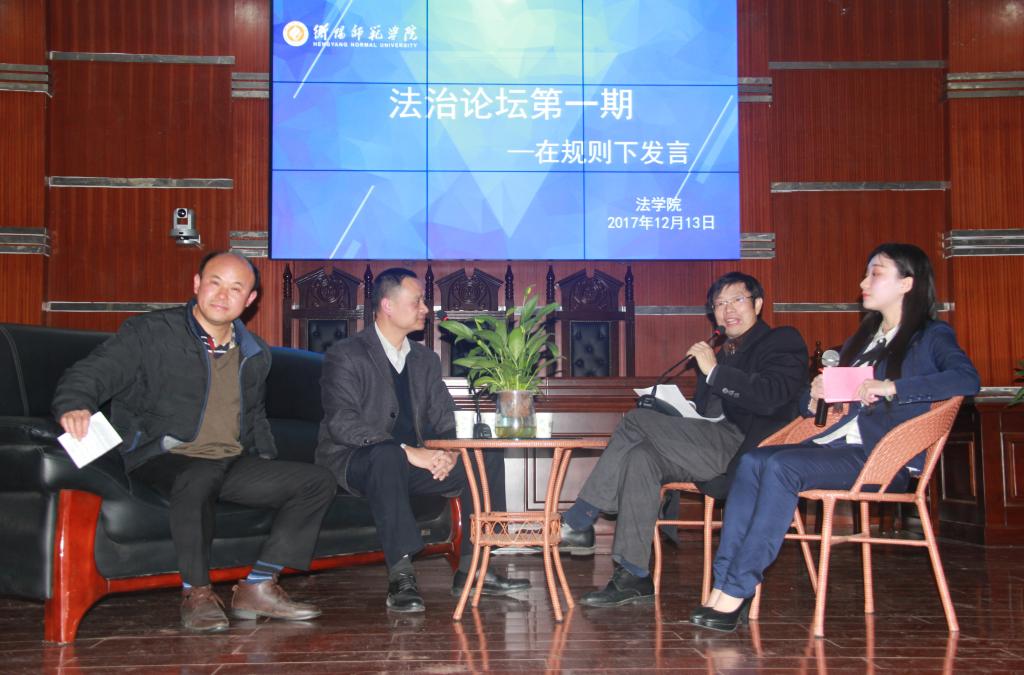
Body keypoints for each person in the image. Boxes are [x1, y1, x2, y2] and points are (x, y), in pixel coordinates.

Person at [692, 243, 981, 632]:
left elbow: (966, 379)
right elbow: (818, 406)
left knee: (779, 466)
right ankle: (724, 581)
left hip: (881, 457)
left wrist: (892, 387)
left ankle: (738, 588)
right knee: (753, 459)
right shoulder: (864, 340)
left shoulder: (931, 335)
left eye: (875, 274)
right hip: (836, 447)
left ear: (907, 283)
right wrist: (813, 398)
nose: (863, 282)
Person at [52, 251, 337, 633]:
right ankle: (197, 593)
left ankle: (258, 586)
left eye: (236, 288)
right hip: (162, 454)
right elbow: (92, 373)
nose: (223, 295)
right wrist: (74, 404)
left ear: (250, 299)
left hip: (228, 460)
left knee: (316, 482)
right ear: (197, 284)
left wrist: (265, 458)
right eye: (215, 283)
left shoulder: (254, 352)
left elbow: (254, 415)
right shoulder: (151, 333)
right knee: (200, 474)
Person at [562, 272, 809, 607]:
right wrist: (680, 408)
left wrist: (715, 372)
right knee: (640, 456)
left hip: (748, 448)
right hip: (711, 442)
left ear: (758, 304)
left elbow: (771, 398)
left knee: (635, 421)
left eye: (737, 300)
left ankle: (581, 517)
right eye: (719, 304)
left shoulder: (780, 341)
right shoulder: (718, 353)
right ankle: (633, 573)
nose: (728, 310)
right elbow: (707, 413)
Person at [315, 267, 529, 613]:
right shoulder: (347, 353)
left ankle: (474, 568)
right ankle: (401, 575)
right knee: (388, 456)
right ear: (387, 305)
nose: (426, 309)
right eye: (417, 301)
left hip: (414, 463)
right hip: (357, 461)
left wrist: (450, 453)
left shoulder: (425, 360)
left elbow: (444, 419)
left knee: (483, 455)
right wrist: (409, 452)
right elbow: (342, 423)